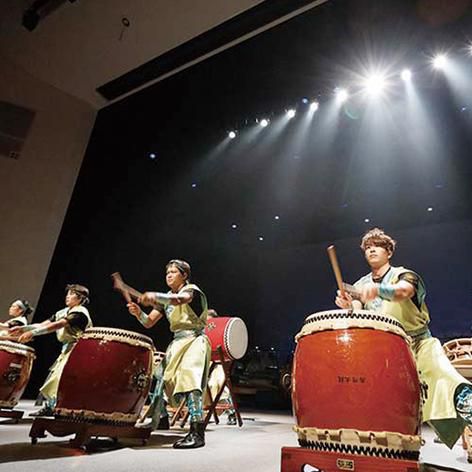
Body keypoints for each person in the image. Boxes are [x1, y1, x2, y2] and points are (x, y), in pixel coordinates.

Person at [335, 227, 472, 450]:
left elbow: (403, 292)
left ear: (389, 252)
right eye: (367, 248)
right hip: (386, 353)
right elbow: (358, 308)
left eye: (377, 246)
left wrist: (379, 290)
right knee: (382, 404)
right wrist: (348, 305)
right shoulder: (361, 284)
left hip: (419, 345)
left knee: (453, 389)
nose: (371, 250)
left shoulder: (405, 275)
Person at [128, 259, 210, 449]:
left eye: (174, 272)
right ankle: (162, 418)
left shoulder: (192, 290)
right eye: (167, 272)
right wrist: (138, 313)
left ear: (185, 275)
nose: (169, 275)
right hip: (177, 342)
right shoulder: (166, 299)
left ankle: (197, 433)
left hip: (194, 341)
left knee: (191, 383)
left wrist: (155, 296)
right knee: (158, 376)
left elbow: (181, 300)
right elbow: (148, 323)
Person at [10, 284, 92, 416]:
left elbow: (59, 324)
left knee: (58, 378)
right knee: (55, 377)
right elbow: (44, 324)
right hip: (67, 349)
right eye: (67, 294)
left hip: (78, 350)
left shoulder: (80, 312)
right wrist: (24, 329)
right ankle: (52, 407)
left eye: (71, 294)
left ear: (80, 298)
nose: (67, 297)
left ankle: (59, 407)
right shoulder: (63, 312)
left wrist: (33, 333)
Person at [205, 309, 237, 425]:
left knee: (217, 383)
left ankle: (231, 411)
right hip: (204, 360)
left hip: (218, 361)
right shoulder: (201, 330)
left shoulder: (219, 332)